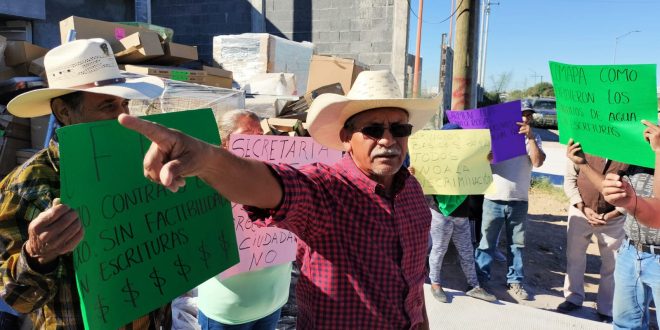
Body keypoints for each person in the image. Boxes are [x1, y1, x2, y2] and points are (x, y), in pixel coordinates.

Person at [119, 70, 439, 329]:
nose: (387, 139)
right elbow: (271, 185)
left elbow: (411, 281)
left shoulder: (410, 190)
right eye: (372, 129)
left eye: (399, 127)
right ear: (346, 138)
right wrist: (206, 159)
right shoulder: (326, 189)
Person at [0, 38, 170, 329]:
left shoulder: (141, 162)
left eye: (125, 103)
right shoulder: (26, 185)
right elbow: (13, 300)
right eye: (107, 105)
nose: (124, 117)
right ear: (64, 112)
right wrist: (38, 255)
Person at [196, 109, 291, 330]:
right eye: (248, 135)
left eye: (260, 134)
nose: (258, 142)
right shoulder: (206, 187)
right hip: (227, 312)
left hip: (272, 304)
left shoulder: (281, 177)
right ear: (224, 144)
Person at [566, 136, 658, 329]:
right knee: (625, 324)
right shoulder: (637, 152)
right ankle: (576, 298)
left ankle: (604, 308)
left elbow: (656, 211)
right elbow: (612, 189)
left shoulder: (649, 152)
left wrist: (659, 152)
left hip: (655, 257)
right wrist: (583, 163)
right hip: (632, 250)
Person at [413, 123, 495, 304]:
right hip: (439, 211)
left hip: (461, 213)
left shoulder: (468, 160)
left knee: (466, 250)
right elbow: (419, 180)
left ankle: (474, 286)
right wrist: (413, 173)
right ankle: (435, 284)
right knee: (439, 249)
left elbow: (480, 177)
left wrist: (485, 161)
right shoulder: (434, 160)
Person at [474, 103, 546, 300]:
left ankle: (515, 282)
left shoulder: (534, 138)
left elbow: (538, 162)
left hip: (519, 200)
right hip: (493, 199)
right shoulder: (496, 136)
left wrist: (530, 138)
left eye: (528, 116)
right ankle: (480, 281)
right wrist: (486, 156)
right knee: (486, 243)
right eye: (522, 114)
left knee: (517, 245)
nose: (525, 119)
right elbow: (479, 162)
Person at [558, 144, 627, 323]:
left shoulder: (628, 151)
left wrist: (613, 213)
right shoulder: (583, 145)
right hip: (580, 212)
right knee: (574, 256)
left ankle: (606, 308)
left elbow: (634, 190)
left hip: (614, 218)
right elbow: (570, 178)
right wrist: (581, 206)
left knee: (612, 263)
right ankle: (573, 297)